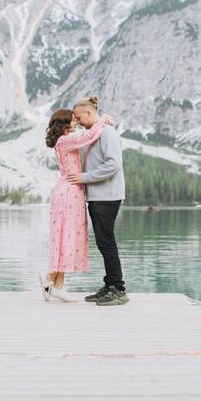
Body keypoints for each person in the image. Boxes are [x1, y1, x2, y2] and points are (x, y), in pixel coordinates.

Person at [40, 107, 113, 302]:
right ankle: (53, 280)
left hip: (70, 190)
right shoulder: (65, 140)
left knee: (66, 235)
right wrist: (102, 120)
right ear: (64, 124)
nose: (76, 122)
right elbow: (88, 136)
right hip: (69, 192)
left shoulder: (62, 141)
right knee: (67, 235)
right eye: (73, 120)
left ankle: (55, 282)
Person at [66, 95, 128, 306]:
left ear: (89, 113)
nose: (77, 121)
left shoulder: (107, 133)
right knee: (103, 242)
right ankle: (110, 285)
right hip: (98, 196)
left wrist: (85, 177)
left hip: (107, 196)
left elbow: (113, 165)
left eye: (78, 117)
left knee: (107, 242)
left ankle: (118, 289)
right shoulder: (95, 133)